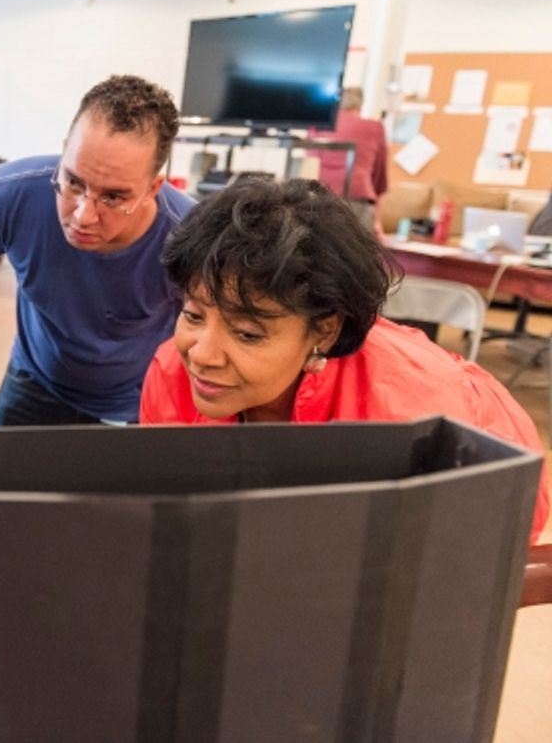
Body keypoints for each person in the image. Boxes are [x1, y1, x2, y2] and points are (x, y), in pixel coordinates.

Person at [139, 177, 549, 544]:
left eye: (247, 333)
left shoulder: (412, 414)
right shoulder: (173, 374)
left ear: (325, 330)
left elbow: (473, 550)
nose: (202, 354)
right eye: (193, 314)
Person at [0, 74, 195, 426]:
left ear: (153, 188)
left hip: (129, 403)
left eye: (113, 197)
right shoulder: (6, 196)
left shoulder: (189, 238)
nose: (83, 215)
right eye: (74, 182)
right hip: (33, 381)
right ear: (64, 151)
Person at [310, 87, 389, 231]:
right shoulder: (374, 127)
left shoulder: (317, 126)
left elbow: (308, 163)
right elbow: (379, 176)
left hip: (315, 197)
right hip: (355, 198)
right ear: (360, 106)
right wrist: (377, 222)